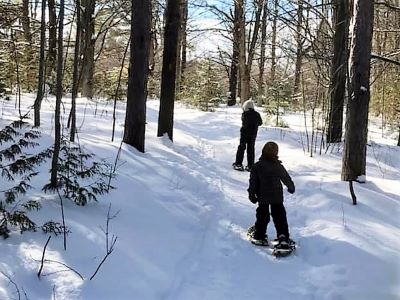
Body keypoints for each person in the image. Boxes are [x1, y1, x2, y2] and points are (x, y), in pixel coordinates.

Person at [247, 141, 295, 249]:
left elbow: (253, 182)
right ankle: (283, 237)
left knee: (262, 216)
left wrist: (251, 194)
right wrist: (291, 187)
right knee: (279, 217)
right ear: (276, 153)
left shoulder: (257, 166)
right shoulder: (278, 166)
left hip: (263, 197)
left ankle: (259, 234)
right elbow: (286, 178)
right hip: (277, 197)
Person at [232, 99, 262, 171]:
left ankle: (238, 164)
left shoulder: (245, 114)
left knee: (241, 148)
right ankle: (250, 165)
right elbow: (260, 123)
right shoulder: (257, 114)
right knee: (251, 149)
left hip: (244, 134)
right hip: (253, 134)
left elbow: (244, 121)